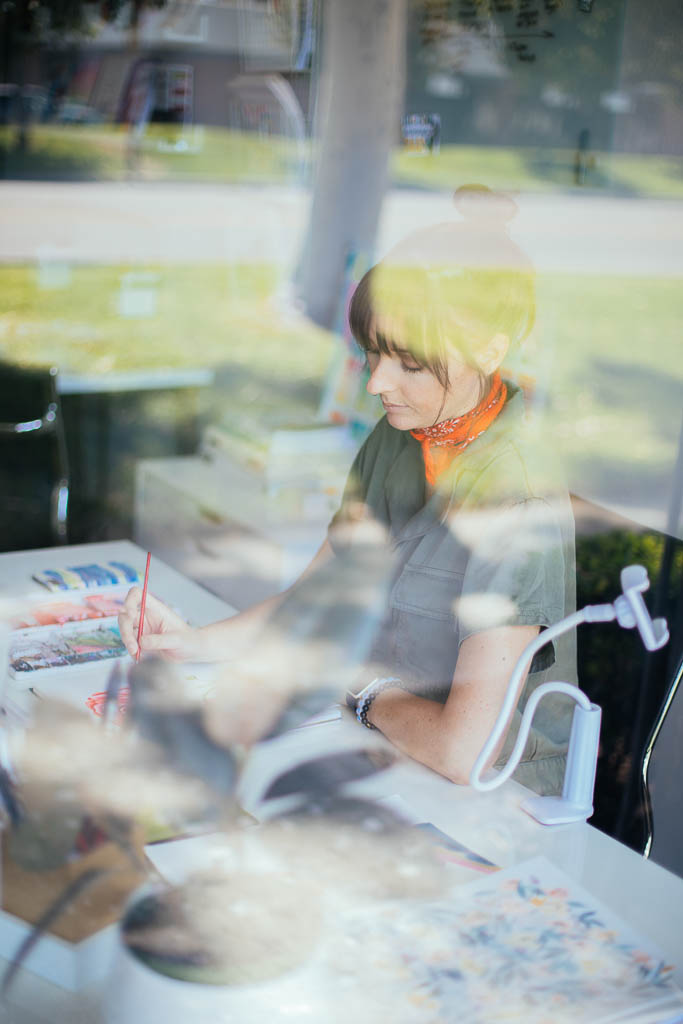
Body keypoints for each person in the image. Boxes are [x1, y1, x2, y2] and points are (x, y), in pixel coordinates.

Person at [119, 185, 576, 796]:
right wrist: (189, 643)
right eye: (373, 353)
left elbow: (465, 752)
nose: (378, 383)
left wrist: (358, 689)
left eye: (410, 363)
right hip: (386, 754)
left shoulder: (517, 498)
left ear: (490, 351)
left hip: (500, 803)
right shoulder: (400, 437)